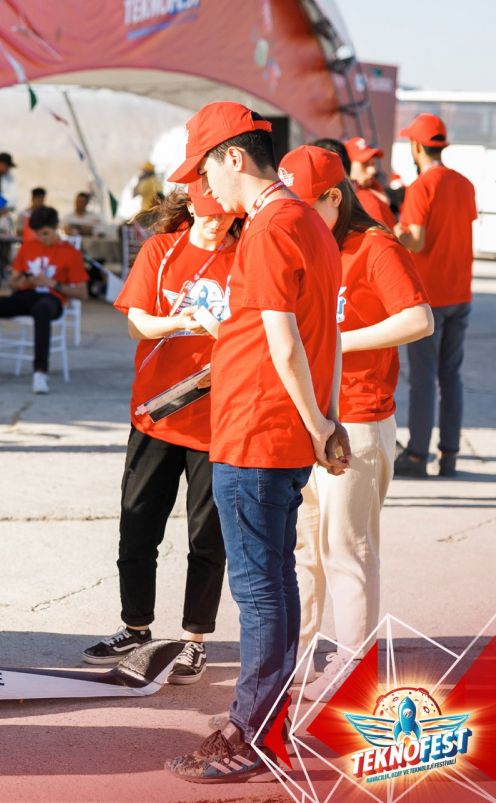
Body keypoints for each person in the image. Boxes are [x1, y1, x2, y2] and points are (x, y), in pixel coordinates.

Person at [164, 101, 347, 783]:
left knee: (260, 589)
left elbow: (285, 339)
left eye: (206, 169)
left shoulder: (271, 226)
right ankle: (265, 721)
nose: (204, 185)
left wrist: (321, 422)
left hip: (256, 430)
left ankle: (250, 733)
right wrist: (325, 418)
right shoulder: (308, 221)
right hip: (276, 427)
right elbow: (323, 334)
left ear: (234, 157)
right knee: (275, 581)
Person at [280, 145, 433, 702]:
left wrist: (338, 342)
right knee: (302, 550)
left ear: (333, 197)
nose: (294, 218)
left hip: (359, 417)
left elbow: (418, 319)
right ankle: (294, 659)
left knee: (347, 548)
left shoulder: (373, 245)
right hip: (308, 415)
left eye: (304, 207)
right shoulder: (302, 242)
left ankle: (352, 664)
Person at [79, 181, 239, 684]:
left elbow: (258, 330)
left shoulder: (247, 255)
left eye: (225, 213)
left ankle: (195, 641)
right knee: (138, 526)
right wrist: (182, 320)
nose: (216, 222)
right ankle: (135, 627)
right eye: (207, 212)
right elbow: (137, 324)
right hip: (157, 411)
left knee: (207, 536)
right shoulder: (161, 251)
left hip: (218, 418)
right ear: (190, 205)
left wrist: (218, 330)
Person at [392, 113, 478, 479]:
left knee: (424, 377)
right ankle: (449, 454)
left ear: (416, 146)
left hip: (429, 297)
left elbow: (417, 241)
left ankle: (416, 455)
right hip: (460, 293)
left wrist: (394, 231)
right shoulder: (464, 184)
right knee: (451, 376)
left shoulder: (421, 186)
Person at [0, 206, 87, 394]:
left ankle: (40, 372)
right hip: (25, 296)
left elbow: (82, 293)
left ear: (55, 228)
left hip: (53, 299)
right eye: (37, 234)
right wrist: (23, 282)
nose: (41, 238)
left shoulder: (71, 252)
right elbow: (13, 283)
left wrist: (53, 283)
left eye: (45, 233)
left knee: (41, 310)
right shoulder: (28, 247)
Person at [343, 137, 396, 230]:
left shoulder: (373, 187)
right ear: (348, 165)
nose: (373, 170)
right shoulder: (359, 197)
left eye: (373, 163)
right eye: (365, 164)